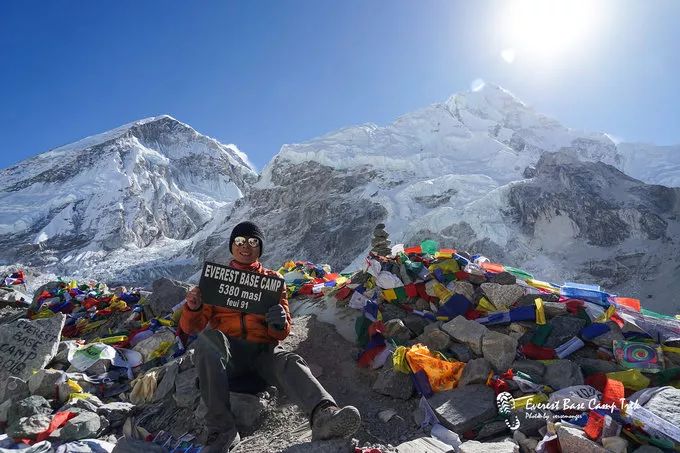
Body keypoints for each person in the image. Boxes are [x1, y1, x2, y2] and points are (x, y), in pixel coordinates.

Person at [180, 221, 361, 452]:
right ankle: (222, 430)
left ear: (260, 248)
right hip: (228, 361)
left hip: (261, 356)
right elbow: (191, 328)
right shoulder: (216, 282)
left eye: (253, 242)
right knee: (209, 339)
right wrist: (193, 308)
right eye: (240, 241)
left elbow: (282, 332)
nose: (246, 246)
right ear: (231, 246)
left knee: (289, 360)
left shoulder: (273, 282)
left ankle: (324, 415)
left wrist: (279, 322)